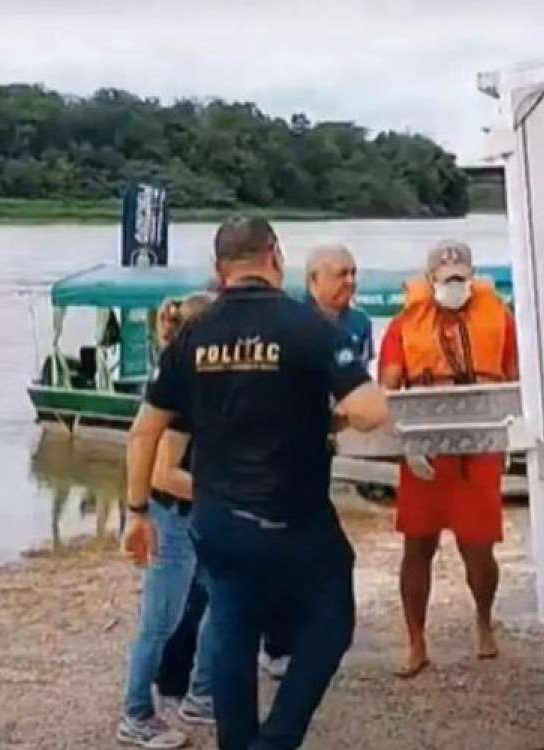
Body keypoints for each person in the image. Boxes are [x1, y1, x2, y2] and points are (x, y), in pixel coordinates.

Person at [124, 217, 391, 750]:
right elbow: (369, 410)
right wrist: (330, 411)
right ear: (276, 256)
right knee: (331, 622)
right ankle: (278, 738)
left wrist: (136, 513)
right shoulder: (305, 326)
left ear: (219, 268)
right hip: (296, 518)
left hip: (219, 521)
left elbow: (144, 429)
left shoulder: (193, 333)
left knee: (233, 635)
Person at [377, 240, 518, 679]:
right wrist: (406, 442)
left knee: (479, 547)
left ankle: (483, 617)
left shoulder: (501, 319)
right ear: (430, 278)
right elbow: (388, 389)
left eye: (461, 275)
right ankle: (416, 640)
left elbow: (513, 380)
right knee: (417, 545)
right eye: (446, 275)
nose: (454, 282)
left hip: (479, 446)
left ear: (473, 277)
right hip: (424, 449)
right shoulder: (404, 326)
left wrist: (510, 435)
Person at [257, 242, 376, 680]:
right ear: (312, 281)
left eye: (353, 272)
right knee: (281, 547)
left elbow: (362, 382)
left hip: (329, 441)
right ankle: (276, 642)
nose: (349, 281)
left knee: (319, 548)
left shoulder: (360, 324)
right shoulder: (292, 322)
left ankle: (311, 634)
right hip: (288, 447)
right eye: (339, 274)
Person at [117, 294, 218, 749]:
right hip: (173, 517)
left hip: (196, 515)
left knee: (219, 602)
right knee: (160, 619)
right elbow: (164, 472)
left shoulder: (192, 384)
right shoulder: (181, 395)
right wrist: (223, 490)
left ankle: (200, 693)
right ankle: (136, 713)